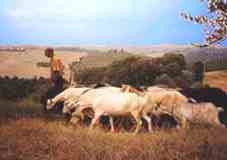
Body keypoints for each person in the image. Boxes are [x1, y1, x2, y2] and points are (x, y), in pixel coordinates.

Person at [44, 48, 65, 112]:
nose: (45, 54)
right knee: (55, 94)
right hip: (58, 79)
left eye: (46, 52)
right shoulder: (54, 58)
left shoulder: (54, 59)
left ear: (50, 52)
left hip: (58, 80)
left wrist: (54, 81)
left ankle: (56, 109)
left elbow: (57, 71)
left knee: (54, 94)